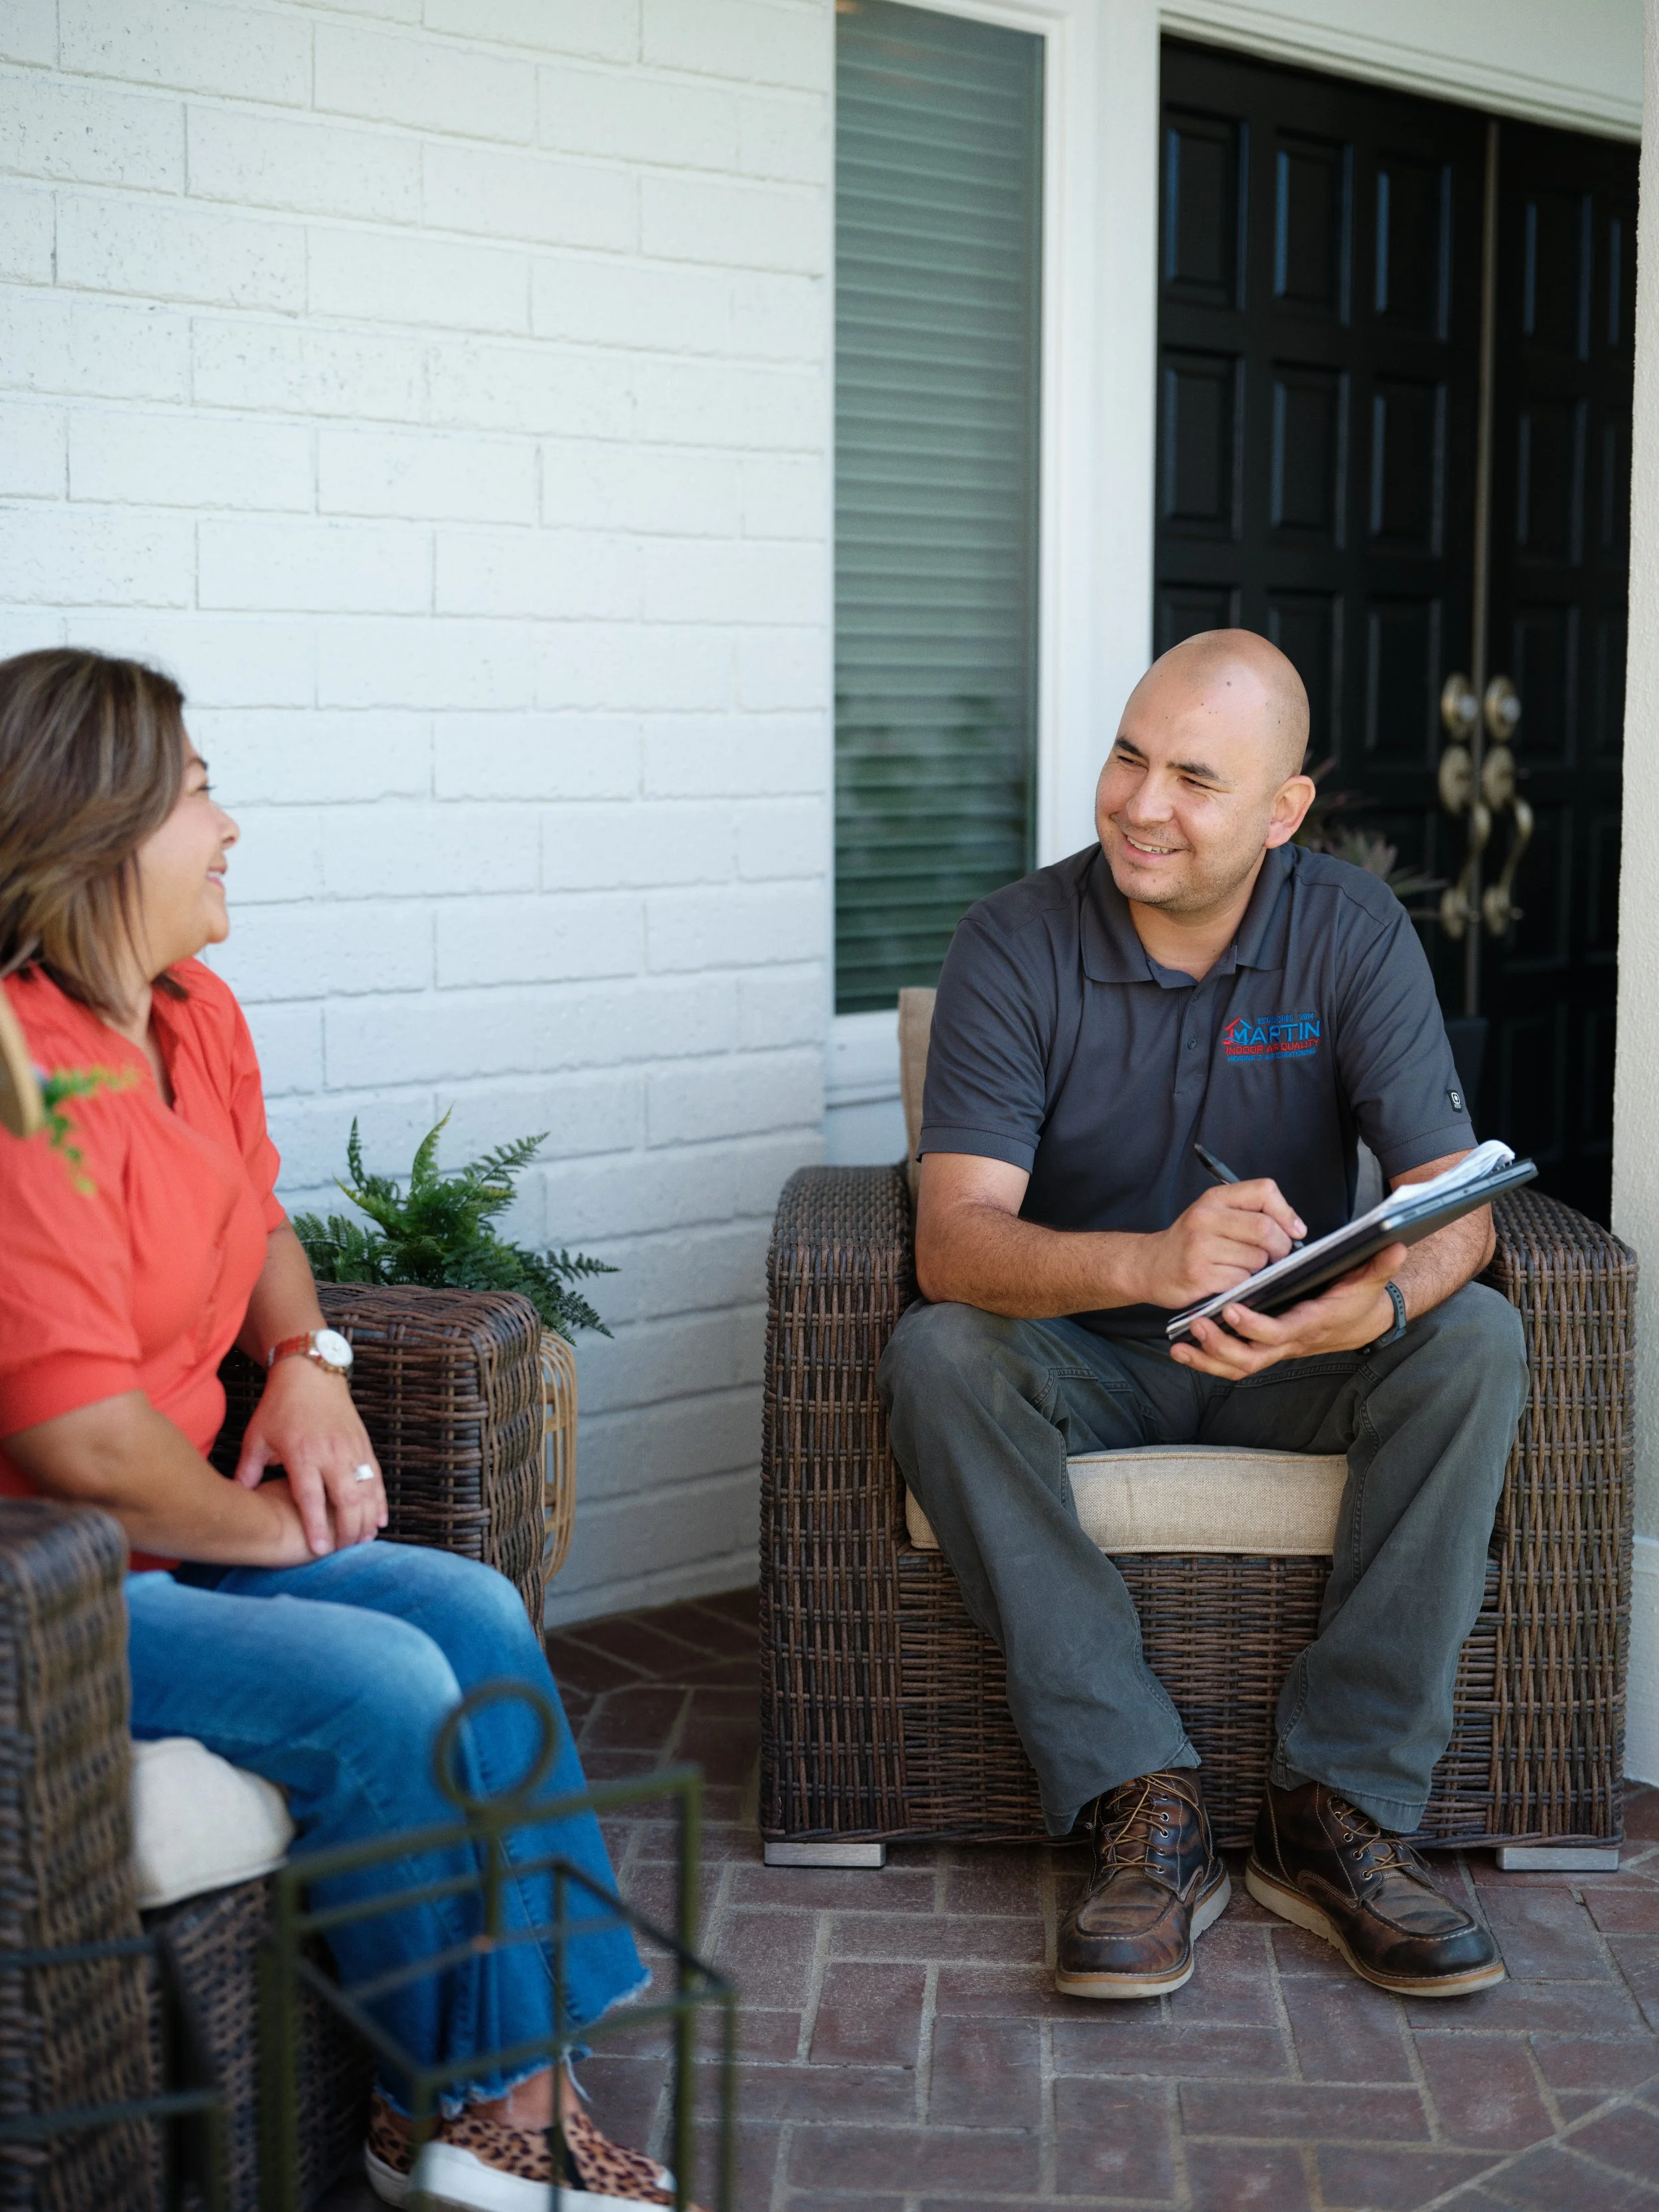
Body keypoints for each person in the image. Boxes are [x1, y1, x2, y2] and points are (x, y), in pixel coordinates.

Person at [0, 648, 680, 2212]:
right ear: (93, 831)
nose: (228, 826)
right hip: (56, 1582)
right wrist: (271, 1530)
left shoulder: (193, 1011)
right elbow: (79, 1436)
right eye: (195, 793)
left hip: (179, 1538)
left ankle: (494, 2099)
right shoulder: (26, 1074)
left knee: (471, 1606)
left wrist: (307, 1358)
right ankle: (487, 2112)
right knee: (380, 1678)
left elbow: (256, 1231)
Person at [879, 630, 1527, 2003]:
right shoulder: (1013, 941)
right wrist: (1146, 1263)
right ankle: (1139, 1802)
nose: (1138, 803)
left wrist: (1370, 1308)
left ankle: (1331, 1812)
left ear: (1281, 811)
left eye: (1192, 777)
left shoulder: (1346, 927)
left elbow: (1455, 1206)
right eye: (1126, 756)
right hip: (1081, 1354)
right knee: (937, 1356)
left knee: (1473, 1337)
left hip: (1289, 1354)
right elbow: (954, 1244)